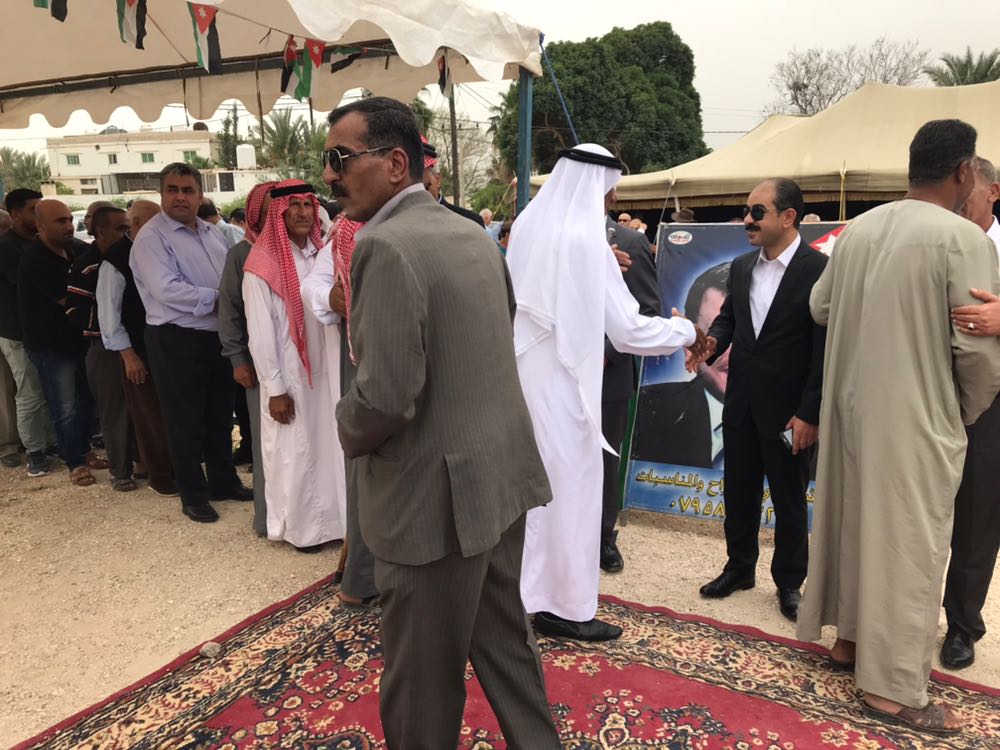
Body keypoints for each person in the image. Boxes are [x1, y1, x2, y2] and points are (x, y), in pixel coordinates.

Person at [327, 96, 561, 749]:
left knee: (422, 684)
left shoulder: (384, 246)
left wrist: (342, 425)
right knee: (506, 646)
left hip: (434, 504)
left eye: (341, 157)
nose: (330, 174)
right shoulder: (471, 235)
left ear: (395, 163)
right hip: (498, 476)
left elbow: (385, 396)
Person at [797, 119, 1000, 736]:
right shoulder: (963, 237)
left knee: (858, 524)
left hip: (852, 409)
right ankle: (891, 691)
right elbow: (978, 355)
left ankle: (849, 642)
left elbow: (819, 306)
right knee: (910, 545)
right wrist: (960, 413)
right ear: (964, 172)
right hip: (916, 415)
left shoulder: (860, 229)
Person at [508, 144, 703, 642]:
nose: (612, 197)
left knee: (531, 494)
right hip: (567, 387)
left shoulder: (528, 225)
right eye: (610, 188)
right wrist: (683, 331)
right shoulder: (587, 239)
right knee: (572, 493)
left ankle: (522, 596)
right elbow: (628, 330)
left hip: (526, 381)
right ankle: (565, 607)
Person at [687, 179, 827, 622]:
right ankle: (739, 568)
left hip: (789, 412)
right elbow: (729, 320)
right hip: (742, 403)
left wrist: (809, 413)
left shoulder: (820, 270)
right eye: (747, 210)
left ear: (788, 217)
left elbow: (824, 349)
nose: (748, 219)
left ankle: (789, 582)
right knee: (739, 491)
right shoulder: (742, 266)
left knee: (789, 499)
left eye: (757, 212)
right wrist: (710, 344)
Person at [130, 163, 252, 523]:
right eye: (172, 190)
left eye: (187, 190)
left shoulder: (213, 233)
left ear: (200, 195)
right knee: (184, 420)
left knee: (219, 415)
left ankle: (223, 481)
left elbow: (229, 277)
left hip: (216, 336)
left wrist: (230, 304)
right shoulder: (152, 238)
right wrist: (222, 300)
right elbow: (166, 289)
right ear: (162, 194)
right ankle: (193, 495)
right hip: (176, 338)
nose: (180, 197)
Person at [243, 180, 347, 552]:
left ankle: (337, 524)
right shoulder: (261, 265)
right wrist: (275, 389)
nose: (303, 212)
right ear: (279, 212)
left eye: (308, 204)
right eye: (294, 205)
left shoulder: (322, 253)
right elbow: (260, 333)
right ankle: (303, 531)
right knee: (295, 452)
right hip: (289, 375)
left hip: (327, 369)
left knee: (329, 446)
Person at [938, 155, 1000, 670]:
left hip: (990, 407)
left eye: (969, 196)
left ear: (993, 192)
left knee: (977, 519)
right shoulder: (937, 242)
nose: (958, 206)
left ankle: (962, 625)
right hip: (930, 397)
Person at [300, 213, 379, 607]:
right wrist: (330, 298)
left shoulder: (451, 224)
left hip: (427, 359)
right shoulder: (349, 231)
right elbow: (314, 284)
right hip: (364, 360)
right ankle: (363, 576)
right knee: (367, 466)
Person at [19, 200, 107, 486]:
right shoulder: (35, 260)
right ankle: (75, 462)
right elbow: (71, 301)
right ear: (40, 225)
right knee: (64, 406)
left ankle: (85, 450)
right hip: (52, 347)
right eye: (60, 221)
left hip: (78, 340)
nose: (69, 225)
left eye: (69, 219)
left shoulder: (76, 250)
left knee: (85, 400)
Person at [97, 200, 177, 496]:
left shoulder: (163, 250)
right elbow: (109, 315)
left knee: (172, 413)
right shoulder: (116, 259)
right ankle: (160, 475)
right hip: (139, 350)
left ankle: (179, 468)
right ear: (138, 224)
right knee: (150, 417)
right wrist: (128, 356)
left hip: (168, 347)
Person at [600, 201, 661, 573]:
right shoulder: (552, 239)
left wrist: (604, 352)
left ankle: (603, 538)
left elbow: (646, 309)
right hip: (558, 375)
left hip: (607, 375)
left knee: (605, 460)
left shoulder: (629, 242)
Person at [630, 262, 731, 469]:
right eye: (717, 332)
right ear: (689, 345)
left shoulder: (795, 421)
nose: (733, 349)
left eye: (747, 332)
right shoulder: (650, 409)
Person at [66, 206, 138, 491]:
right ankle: (121, 471)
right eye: (120, 228)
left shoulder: (133, 256)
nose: (126, 233)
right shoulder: (87, 265)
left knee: (141, 407)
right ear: (100, 232)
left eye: (128, 227)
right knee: (114, 412)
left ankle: (144, 461)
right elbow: (74, 310)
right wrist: (109, 327)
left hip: (135, 344)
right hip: (104, 348)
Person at [218, 181, 275, 534]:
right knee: (265, 441)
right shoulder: (242, 254)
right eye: (267, 212)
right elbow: (230, 310)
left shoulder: (301, 250)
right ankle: (268, 517)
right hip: (257, 363)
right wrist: (238, 358)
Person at [0, 189, 56, 476]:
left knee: (45, 390)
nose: (39, 215)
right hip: (17, 332)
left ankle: (49, 442)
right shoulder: (7, 247)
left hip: (39, 330)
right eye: (33, 210)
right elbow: (34, 287)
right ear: (15, 213)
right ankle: (34, 451)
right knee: (30, 392)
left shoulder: (36, 243)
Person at [421, 138, 486, 227]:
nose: (415, 191)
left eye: (423, 186)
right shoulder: (401, 222)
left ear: (437, 180)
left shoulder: (470, 222)